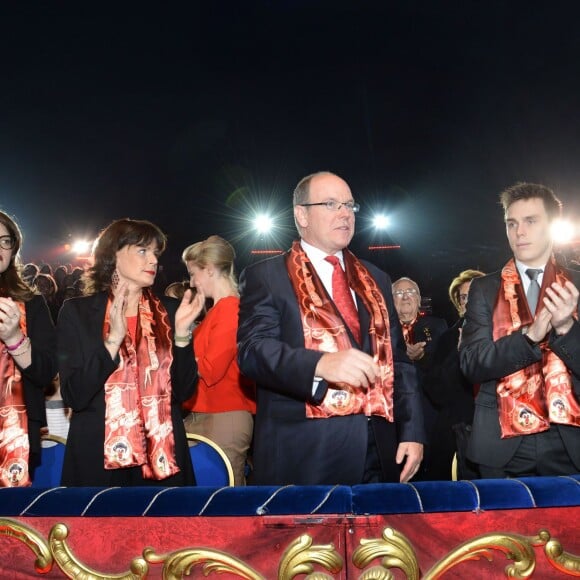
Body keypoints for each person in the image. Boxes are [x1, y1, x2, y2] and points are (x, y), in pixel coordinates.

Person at [237, 171, 424, 485]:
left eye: (350, 205)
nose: (344, 213)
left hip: (380, 448)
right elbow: (252, 351)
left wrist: (413, 432)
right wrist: (320, 364)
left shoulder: (375, 278)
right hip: (306, 451)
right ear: (301, 214)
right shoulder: (267, 276)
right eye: (331, 204)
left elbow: (399, 362)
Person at [57, 218, 204, 486]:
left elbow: (183, 394)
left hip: (161, 457)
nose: (153, 261)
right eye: (142, 251)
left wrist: (182, 336)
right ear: (113, 255)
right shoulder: (77, 313)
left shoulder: (170, 312)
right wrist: (112, 341)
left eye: (155, 253)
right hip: (98, 458)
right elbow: (75, 395)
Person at [460, 183, 580, 478]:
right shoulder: (484, 288)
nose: (519, 232)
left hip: (569, 438)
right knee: (503, 526)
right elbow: (471, 363)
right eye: (511, 223)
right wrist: (529, 338)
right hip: (502, 442)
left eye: (530, 221)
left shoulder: (576, 284)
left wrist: (566, 327)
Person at [181, 235, 256, 485]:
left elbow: (212, 370)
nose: (191, 282)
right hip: (209, 414)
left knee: (225, 501)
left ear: (210, 270)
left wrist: (180, 349)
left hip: (223, 415)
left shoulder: (230, 308)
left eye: (193, 274)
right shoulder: (220, 309)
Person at [0, 211, 57, 487]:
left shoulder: (31, 303)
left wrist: (14, 338)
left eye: (5, 241)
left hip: (17, 432)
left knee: (12, 526)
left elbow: (46, 372)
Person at [425, 269, 485, 479]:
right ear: (458, 303)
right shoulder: (448, 338)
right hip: (457, 430)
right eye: (464, 297)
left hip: (498, 431)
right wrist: (458, 354)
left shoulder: (505, 332)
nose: (469, 301)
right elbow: (435, 390)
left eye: (476, 294)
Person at [392, 277, 447, 480]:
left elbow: (443, 366)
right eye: (398, 293)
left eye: (410, 292)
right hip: (394, 413)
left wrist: (421, 357)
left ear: (419, 299)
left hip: (429, 410)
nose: (405, 296)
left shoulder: (437, 326)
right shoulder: (382, 330)